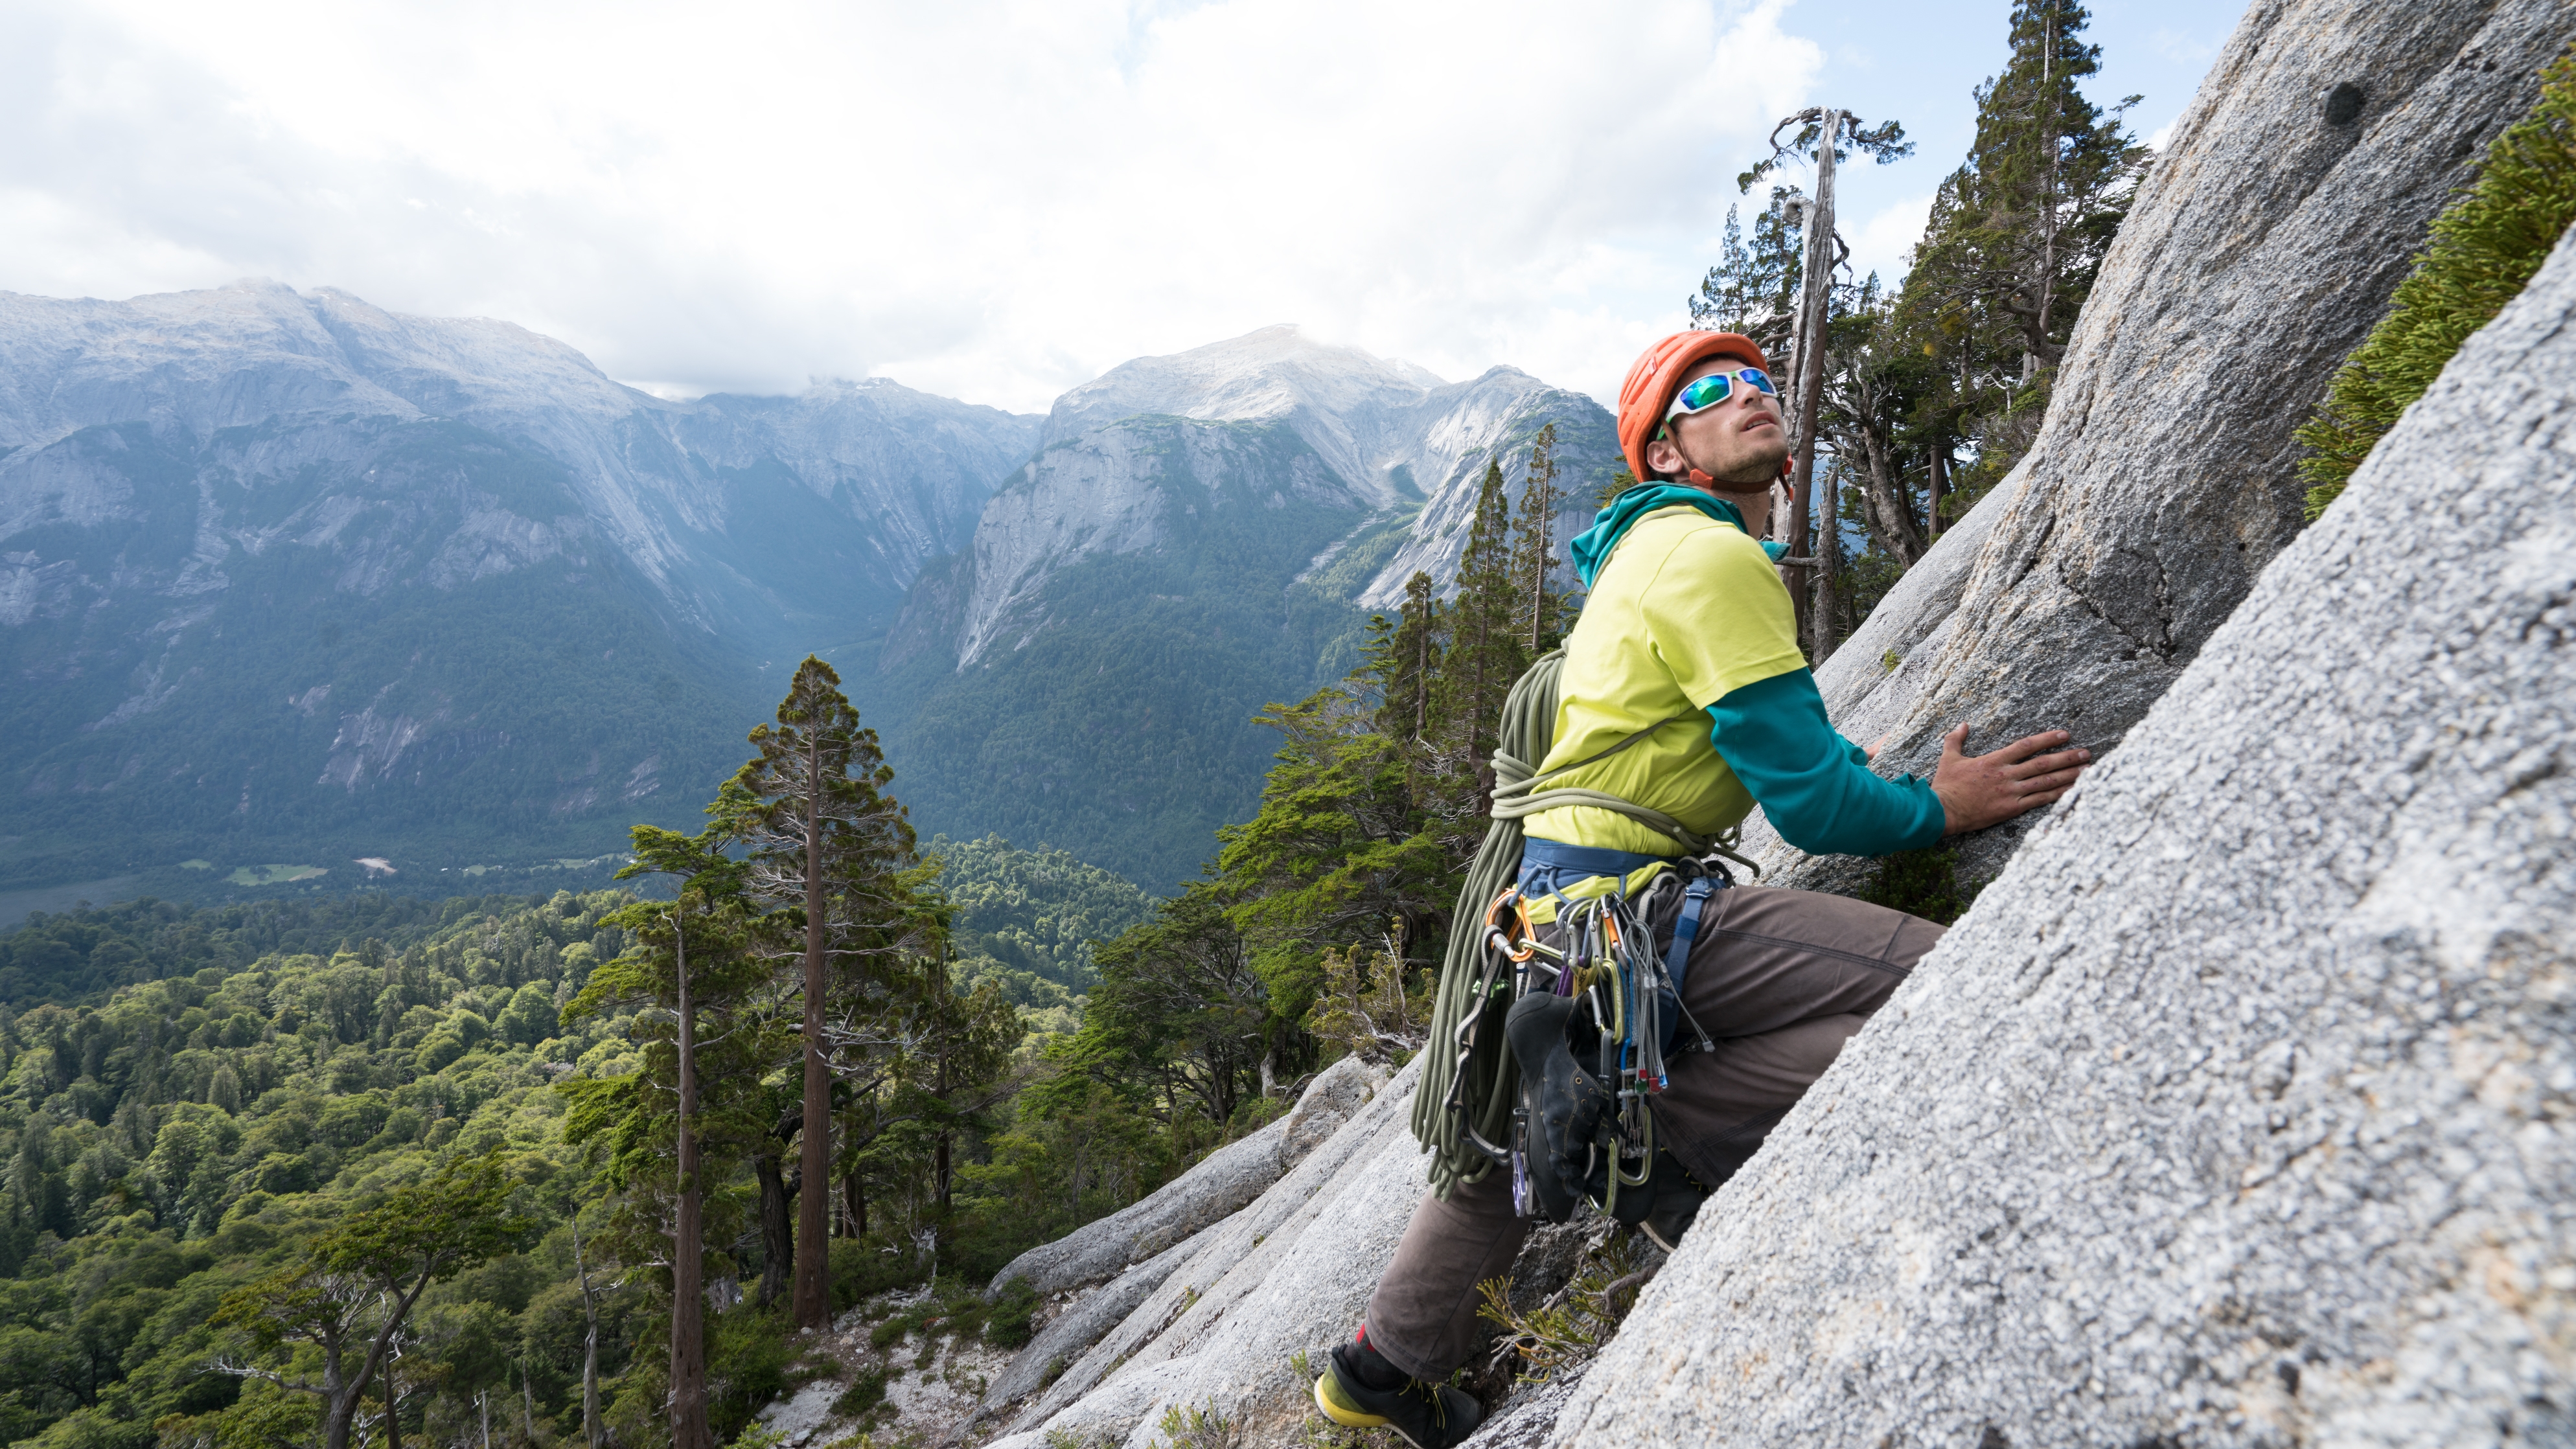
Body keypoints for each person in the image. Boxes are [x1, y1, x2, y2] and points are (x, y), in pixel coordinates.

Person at [1311, 330, 2092, 1448]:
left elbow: (1781, 742)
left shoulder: (1643, 553)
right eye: (1714, 392)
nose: (1752, 397)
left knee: (1511, 1120)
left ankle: (1378, 1366)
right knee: (1943, 986)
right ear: (1670, 450)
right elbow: (1813, 808)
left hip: (1550, 915)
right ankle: (1651, 1124)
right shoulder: (1717, 557)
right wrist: (1941, 808)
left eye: (1764, 384)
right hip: (1635, 912)